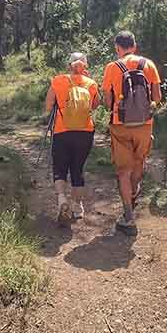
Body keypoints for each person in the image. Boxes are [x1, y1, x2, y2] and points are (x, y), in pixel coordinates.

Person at [102, 31, 162, 235]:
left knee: (123, 171)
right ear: (134, 46)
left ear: (117, 48)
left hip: (120, 124)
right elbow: (157, 97)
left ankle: (128, 217)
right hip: (145, 123)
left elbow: (108, 101)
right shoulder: (148, 64)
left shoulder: (112, 67)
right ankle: (134, 192)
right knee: (139, 161)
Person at [44, 52, 100, 225]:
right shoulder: (91, 84)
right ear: (85, 66)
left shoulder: (58, 80)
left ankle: (62, 200)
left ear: (69, 65)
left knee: (60, 168)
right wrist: (88, 81)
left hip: (62, 131)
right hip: (85, 132)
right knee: (77, 169)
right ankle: (77, 207)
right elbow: (95, 105)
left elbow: (48, 106)